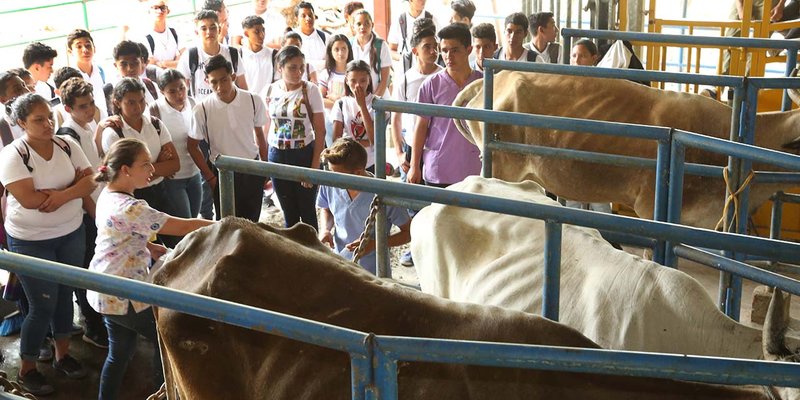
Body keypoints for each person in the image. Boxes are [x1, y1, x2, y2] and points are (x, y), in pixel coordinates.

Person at [89, 138, 214, 400]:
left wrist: (148, 248)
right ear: (126, 170)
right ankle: (166, 393)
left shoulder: (108, 194)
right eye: (145, 164)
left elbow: (121, 236)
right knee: (167, 340)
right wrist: (217, 225)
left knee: (120, 352)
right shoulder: (132, 208)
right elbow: (180, 226)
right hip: (124, 293)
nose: (152, 169)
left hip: (105, 286)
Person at [0, 93, 96, 395]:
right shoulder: (15, 155)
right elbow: (28, 200)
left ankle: (62, 355)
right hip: (30, 241)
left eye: (49, 117)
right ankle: (27, 369)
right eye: (38, 120)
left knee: (65, 295)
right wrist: (72, 189)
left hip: (70, 231)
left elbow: (90, 180)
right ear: (21, 123)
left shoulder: (67, 145)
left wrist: (59, 195)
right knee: (42, 305)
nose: (47, 123)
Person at [55, 77, 111, 349]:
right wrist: (96, 215)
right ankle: (92, 323)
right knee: (87, 269)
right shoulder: (68, 136)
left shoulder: (87, 128)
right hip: (88, 212)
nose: (90, 110)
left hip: (99, 205)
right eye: (83, 106)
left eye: (91, 104)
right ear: (68, 108)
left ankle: (99, 320)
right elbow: (81, 185)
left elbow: (95, 169)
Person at [189, 55, 268, 222]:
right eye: (214, 82)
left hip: (251, 168)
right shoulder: (201, 109)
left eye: (224, 80)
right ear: (206, 81)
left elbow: (260, 134)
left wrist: (264, 167)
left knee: (253, 222)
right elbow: (192, 146)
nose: (219, 87)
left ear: (233, 77)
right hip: (223, 173)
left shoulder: (253, 100)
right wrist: (210, 177)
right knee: (227, 224)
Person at [101, 78, 179, 247]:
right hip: (134, 196)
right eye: (131, 102)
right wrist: (160, 164)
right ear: (117, 102)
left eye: (142, 101)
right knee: (144, 247)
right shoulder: (113, 133)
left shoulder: (155, 124)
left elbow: (175, 165)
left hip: (160, 192)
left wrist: (141, 170)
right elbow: (122, 176)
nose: (138, 107)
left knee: (177, 244)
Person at [317, 138, 410, 275]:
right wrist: (325, 229)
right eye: (331, 172)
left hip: (373, 272)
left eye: (337, 175)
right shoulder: (330, 183)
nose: (333, 179)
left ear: (358, 173)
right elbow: (326, 208)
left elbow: (408, 233)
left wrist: (375, 244)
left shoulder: (384, 193)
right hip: (340, 262)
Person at [409, 23, 482, 187]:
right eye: (444, 50)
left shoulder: (483, 83)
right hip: (438, 170)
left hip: (473, 170)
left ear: (468, 50)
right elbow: (420, 127)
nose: (448, 55)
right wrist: (414, 166)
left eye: (455, 50)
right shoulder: (431, 85)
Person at [264, 45, 325, 230]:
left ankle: (313, 255)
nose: (298, 72)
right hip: (277, 154)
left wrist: (314, 168)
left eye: (301, 67)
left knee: (307, 211)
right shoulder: (270, 90)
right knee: (289, 212)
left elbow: (320, 131)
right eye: (292, 67)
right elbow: (267, 124)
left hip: (303, 154)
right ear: (279, 68)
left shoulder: (310, 90)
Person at [392, 20, 441, 179]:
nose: (433, 51)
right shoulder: (406, 81)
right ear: (415, 51)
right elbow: (396, 118)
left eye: (435, 46)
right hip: (411, 147)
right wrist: (399, 152)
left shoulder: (444, 77)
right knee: (412, 199)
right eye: (427, 46)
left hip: (437, 149)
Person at [150, 69, 201, 222]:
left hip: (194, 171)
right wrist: (161, 163)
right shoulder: (155, 110)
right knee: (185, 223)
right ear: (162, 92)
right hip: (173, 178)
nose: (179, 94)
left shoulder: (192, 103)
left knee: (195, 218)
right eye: (172, 91)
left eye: (182, 88)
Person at [178, 10, 247, 100]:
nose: (208, 32)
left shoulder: (232, 53)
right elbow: (181, 88)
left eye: (213, 27)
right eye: (203, 28)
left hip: (230, 108)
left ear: (219, 29)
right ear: (196, 32)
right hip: (203, 111)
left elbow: (243, 86)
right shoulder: (190, 55)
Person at [331, 60, 378, 172]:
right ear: (347, 80)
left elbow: (374, 140)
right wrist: (363, 143)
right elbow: (337, 140)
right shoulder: (341, 103)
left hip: (370, 162)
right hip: (347, 162)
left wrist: (362, 106)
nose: (358, 85)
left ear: (369, 80)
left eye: (363, 80)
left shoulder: (378, 102)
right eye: (353, 81)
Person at [104, 40, 160, 114]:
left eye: (134, 63)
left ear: (142, 61)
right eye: (124, 64)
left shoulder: (150, 85)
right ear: (116, 65)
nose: (130, 68)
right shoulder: (109, 90)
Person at [320, 34, 353, 146]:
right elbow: (321, 100)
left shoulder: (353, 73)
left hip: (351, 121)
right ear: (330, 51)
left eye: (344, 49)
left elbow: (354, 100)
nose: (340, 53)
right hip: (330, 121)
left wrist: (336, 99)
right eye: (336, 49)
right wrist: (340, 101)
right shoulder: (326, 74)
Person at [350, 9, 392, 98]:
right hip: (355, 100)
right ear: (353, 26)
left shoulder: (381, 46)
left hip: (379, 99)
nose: (362, 27)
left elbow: (385, 80)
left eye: (366, 23)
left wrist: (372, 101)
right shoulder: (349, 45)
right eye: (358, 24)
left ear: (372, 25)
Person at [67, 29, 109, 116]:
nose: (85, 50)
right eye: (79, 47)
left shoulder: (101, 71)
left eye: (88, 45)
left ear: (94, 48)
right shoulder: (69, 77)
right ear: (70, 52)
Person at [240, 15, 279, 97]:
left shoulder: (274, 55)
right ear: (246, 34)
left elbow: (278, 83)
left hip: (269, 104)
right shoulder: (239, 55)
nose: (262, 35)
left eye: (263, 30)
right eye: (256, 32)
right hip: (246, 103)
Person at [143, 0, 184, 70]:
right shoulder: (145, 36)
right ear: (149, 11)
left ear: (168, 11)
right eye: (155, 8)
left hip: (175, 77)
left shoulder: (174, 31)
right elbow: (150, 63)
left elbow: (184, 57)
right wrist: (174, 63)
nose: (159, 11)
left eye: (163, 7)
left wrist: (163, 64)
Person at [293, 2, 328, 73]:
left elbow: (330, 63)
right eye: (303, 16)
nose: (308, 18)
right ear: (296, 19)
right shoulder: (292, 39)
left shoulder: (325, 37)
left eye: (310, 15)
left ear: (314, 16)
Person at [0, 71, 30, 148]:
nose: (27, 91)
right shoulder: (3, 130)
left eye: (24, 85)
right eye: (17, 89)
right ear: (3, 100)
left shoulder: (43, 117)